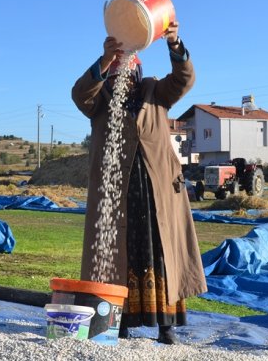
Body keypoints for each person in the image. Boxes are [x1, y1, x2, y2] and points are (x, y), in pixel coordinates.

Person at [71, 21, 208, 344]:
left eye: (127, 68)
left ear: (137, 71)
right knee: (120, 253)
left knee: (161, 252)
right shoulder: (100, 100)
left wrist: (174, 43)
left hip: (155, 190)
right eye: (116, 69)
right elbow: (78, 94)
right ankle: (117, 322)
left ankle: (166, 326)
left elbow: (184, 79)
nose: (123, 74)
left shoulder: (154, 91)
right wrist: (103, 60)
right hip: (116, 192)